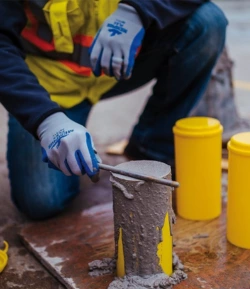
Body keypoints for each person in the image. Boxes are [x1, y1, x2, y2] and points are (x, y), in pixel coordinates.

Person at [0, 0, 228, 220]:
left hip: (118, 62)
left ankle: (149, 152)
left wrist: (137, 11)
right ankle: (57, 123)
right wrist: (45, 120)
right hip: (49, 83)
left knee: (207, 24)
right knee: (41, 201)